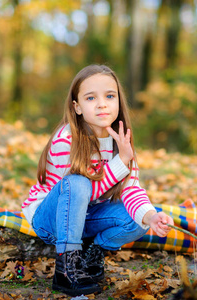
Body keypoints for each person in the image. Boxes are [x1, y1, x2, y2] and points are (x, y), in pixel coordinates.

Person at [21, 64, 174, 296]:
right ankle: (67, 267)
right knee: (78, 183)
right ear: (78, 107)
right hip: (53, 220)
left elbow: (131, 188)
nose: (102, 103)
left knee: (138, 218)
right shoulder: (67, 138)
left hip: (87, 217)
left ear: (119, 102)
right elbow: (75, 194)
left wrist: (151, 216)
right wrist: (120, 163)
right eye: (91, 97)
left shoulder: (121, 141)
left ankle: (93, 253)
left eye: (109, 96)